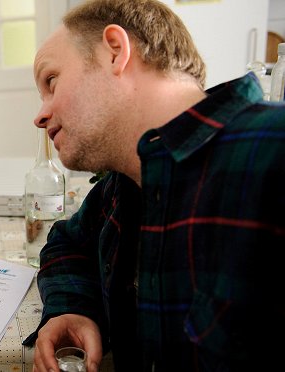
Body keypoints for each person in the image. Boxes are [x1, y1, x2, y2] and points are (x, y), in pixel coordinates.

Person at [23, 0, 285, 371]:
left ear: (115, 51)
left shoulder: (272, 152)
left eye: (51, 81)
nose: (40, 115)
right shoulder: (122, 185)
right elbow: (66, 241)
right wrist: (74, 308)